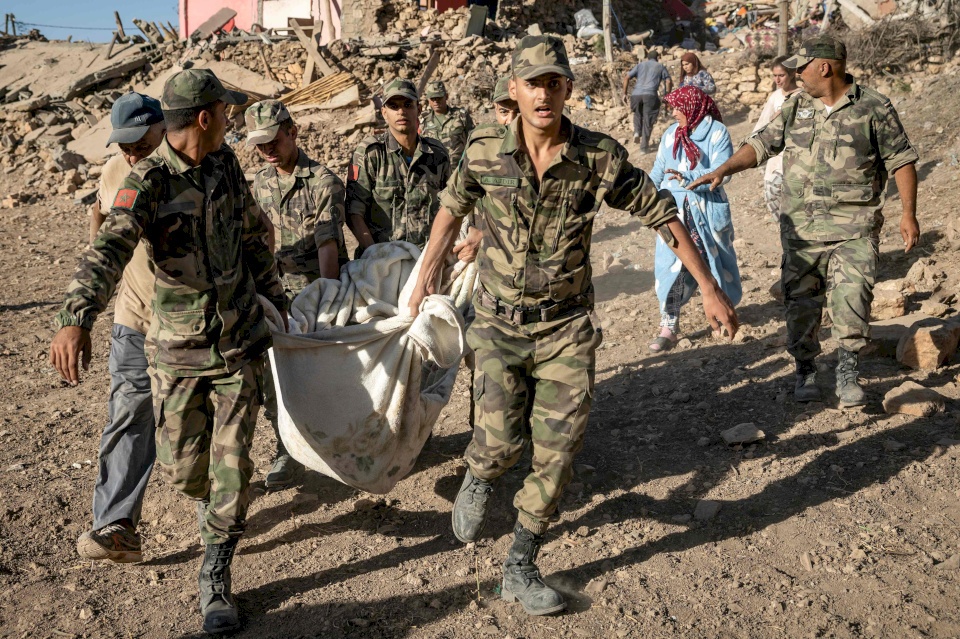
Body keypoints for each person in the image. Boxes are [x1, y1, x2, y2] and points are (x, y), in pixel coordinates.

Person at [407, 35, 739, 616]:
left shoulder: (597, 156)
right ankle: (481, 475)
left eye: (554, 82)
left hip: (564, 328)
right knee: (498, 440)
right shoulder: (483, 150)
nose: (544, 93)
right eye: (532, 82)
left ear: (567, 90)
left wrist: (708, 288)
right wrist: (422, 280)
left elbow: (660, 210)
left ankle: (521, 562)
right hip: (498, 325)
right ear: (513, 89)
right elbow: (450, 210)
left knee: (557, 451)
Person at [49, 69, 289, 634]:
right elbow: (110, 245)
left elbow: (253, 230)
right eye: (225, 112)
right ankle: (213, 514)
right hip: (178, 352)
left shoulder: (226, 163)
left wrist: (275, 298)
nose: (232, 118)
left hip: (238, 345)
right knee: (186, 471)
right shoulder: (149, 180)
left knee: (231, 469)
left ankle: (216, 573)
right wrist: (76, 317)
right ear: (204, 117)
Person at [688, 35, 919, 407]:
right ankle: (806, 369)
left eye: (802, 66)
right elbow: (761, 144)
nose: (797, 73)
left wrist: (908, 213)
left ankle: (847, 372)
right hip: (802, 230)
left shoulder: (874, 107)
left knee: (853, 298)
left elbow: (901, 161)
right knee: (801, 303)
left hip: (854, 227)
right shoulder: (796, 106)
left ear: (824, 67)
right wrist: (725, 168)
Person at [75, 93, 166, 564]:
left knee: (196, 428)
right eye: (123, 145)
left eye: (139, 143)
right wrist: (84, 313)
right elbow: (103, 231)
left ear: (162, 129)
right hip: (133, 315)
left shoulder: (196, 166)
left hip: (189, 326)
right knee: (129, 414)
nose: (131, 154)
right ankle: (116, 524)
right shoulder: (115, 171)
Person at [247, 99, 348, 487]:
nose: (268, 150)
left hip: (311, 292)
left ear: (292, 131)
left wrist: (326, 299)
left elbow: (327, 244)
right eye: (260, 145)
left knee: (322, 375)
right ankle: (286, 450)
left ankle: (334, 444)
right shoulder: (260, 182)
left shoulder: (324, 181)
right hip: (274, 293)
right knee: (276, 379)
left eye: (273, 140)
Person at [648, 86, 741, 352]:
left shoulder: (716, 133)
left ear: (692, 107)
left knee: (714, 265)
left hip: (705, 211)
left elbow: (725, 170)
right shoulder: (670, 136)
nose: (674, 113)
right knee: (671, 270)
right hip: (673, 214)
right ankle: (669, 327)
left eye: (678, 108)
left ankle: (724, 318)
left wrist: (688, 178)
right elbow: (658, 172)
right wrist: (643, 198)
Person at [346, 78, 450, 256]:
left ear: (419, 109)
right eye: (394, 106)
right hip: (382, 259)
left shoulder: (437, 154)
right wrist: (374, 255)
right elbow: (354, 212)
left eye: (408, 104)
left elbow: (450, 207)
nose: (401, 111)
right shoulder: (370, 154)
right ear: (384, 113)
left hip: (426, 257)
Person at [752, 56, 801, 222]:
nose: (777, 80)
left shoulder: (803, 96)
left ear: (793, 73)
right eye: (775, 75)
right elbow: (762, 124)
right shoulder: (775, 97)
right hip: (776, 158)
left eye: (781, 75)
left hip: (798, 159)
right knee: (773, 198)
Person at [622, 50, 672, 152]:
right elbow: (668, 81)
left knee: (637, 113)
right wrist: (667, 95)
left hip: (636, 94)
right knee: (648, 121)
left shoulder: (640, 65)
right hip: (650, 95)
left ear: (647, 57)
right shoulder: (660, 66)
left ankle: (636, 131)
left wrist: (624, 93)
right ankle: (644, 147)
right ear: (657, 57)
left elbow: (627, 77)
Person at [419, 80, 475, 163]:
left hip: (457, 169)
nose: (436, 101)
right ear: (428, 100)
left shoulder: (461, 116)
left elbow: (473, 140)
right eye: (433, 99)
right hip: (435, 171)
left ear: (446, 96)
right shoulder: (424, 121)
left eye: (439, 98)